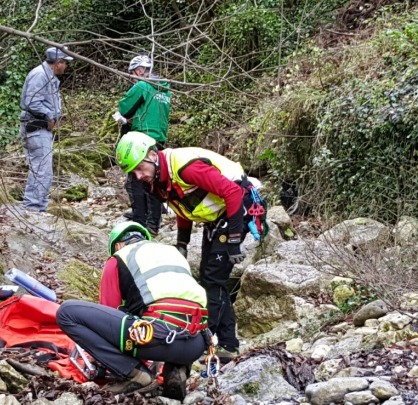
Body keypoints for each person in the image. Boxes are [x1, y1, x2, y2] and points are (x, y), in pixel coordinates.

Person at [113, 132, 268, 363]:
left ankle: (209, 342)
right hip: (216, 217)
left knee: (213, 279)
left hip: (237, 207)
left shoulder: (186, 168)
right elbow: (182, 206)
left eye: (139, 168)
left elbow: (233, 192)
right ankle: (227, 344)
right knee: (210, 279)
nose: (138, 176)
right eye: (132, 172)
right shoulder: (157, 178)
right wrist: (182, 244)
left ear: (153, 155)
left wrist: (235, 238)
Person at [56, 221, 208, 398]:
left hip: (154, 337)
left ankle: (135, 374)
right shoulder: (173, 253)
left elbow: (108, 311)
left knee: (67, 312)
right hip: (196, 344)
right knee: (179, 315)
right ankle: (176, 370)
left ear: (118, 244)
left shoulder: (119, 257)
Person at [113, 54, 171, 235]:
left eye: (132, 73)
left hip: (141, 138)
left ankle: (140, 220)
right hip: (159, 138)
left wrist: (122, 119)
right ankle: (153, 220)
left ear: (140, 70)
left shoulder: (142, 86)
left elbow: (124, 108)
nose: (131, 77)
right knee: (153, 180)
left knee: (135, 181)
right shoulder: (164, 89)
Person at [19, 47, 73, 212]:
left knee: (43, 169)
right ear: (58, 62)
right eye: (65, 63)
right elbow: (31, 102)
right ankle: (32, 208)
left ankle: (37, 206)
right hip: (36, 127)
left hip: (40, 128)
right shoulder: (40, 75)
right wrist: (49, 116)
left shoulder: (48, 76)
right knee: (41, 170)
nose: (66, 67)